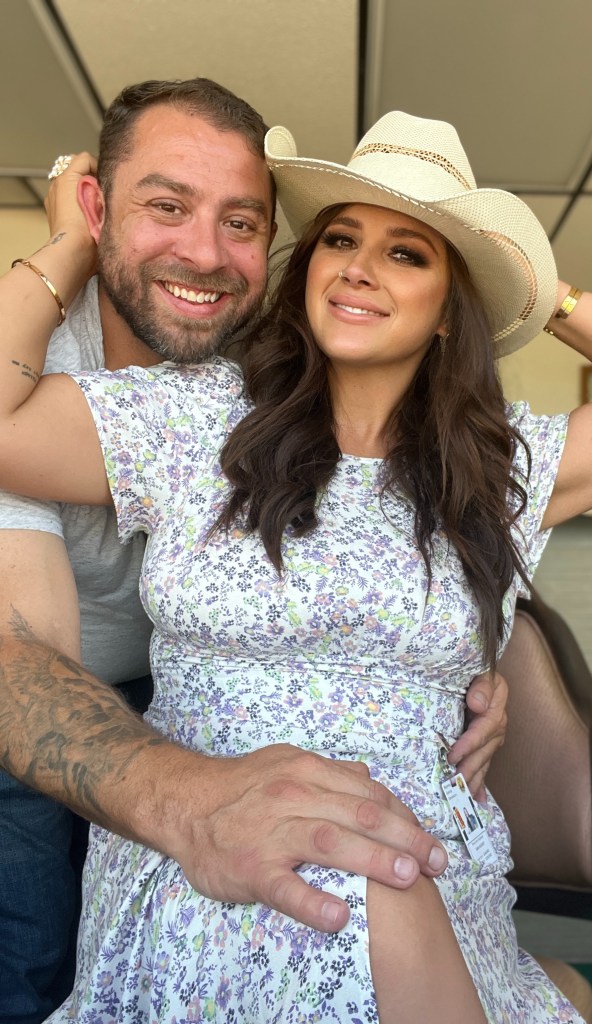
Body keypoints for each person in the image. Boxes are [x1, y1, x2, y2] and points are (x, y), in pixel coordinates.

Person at [0, 110, 592, 1021]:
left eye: (409, 254)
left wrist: (531, 289)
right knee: (369, 891)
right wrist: (75, 244)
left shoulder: (499, 471)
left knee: (394, 881)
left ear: (448, 308)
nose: (358, 265)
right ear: (307, 269)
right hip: (216, 844)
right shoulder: (196, 419)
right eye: (341, 239)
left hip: (427, 847)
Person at [0, 82, 506, 1022]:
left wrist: (463, 665)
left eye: (241, 222)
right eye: (164, 207)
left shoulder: (276, 372)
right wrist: (179, 799)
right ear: (98, 206)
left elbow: (399, 542)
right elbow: (19, 651)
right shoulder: (30, 369)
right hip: (46, 706)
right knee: (31, 966)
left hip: (200, 697)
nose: (203, 252)